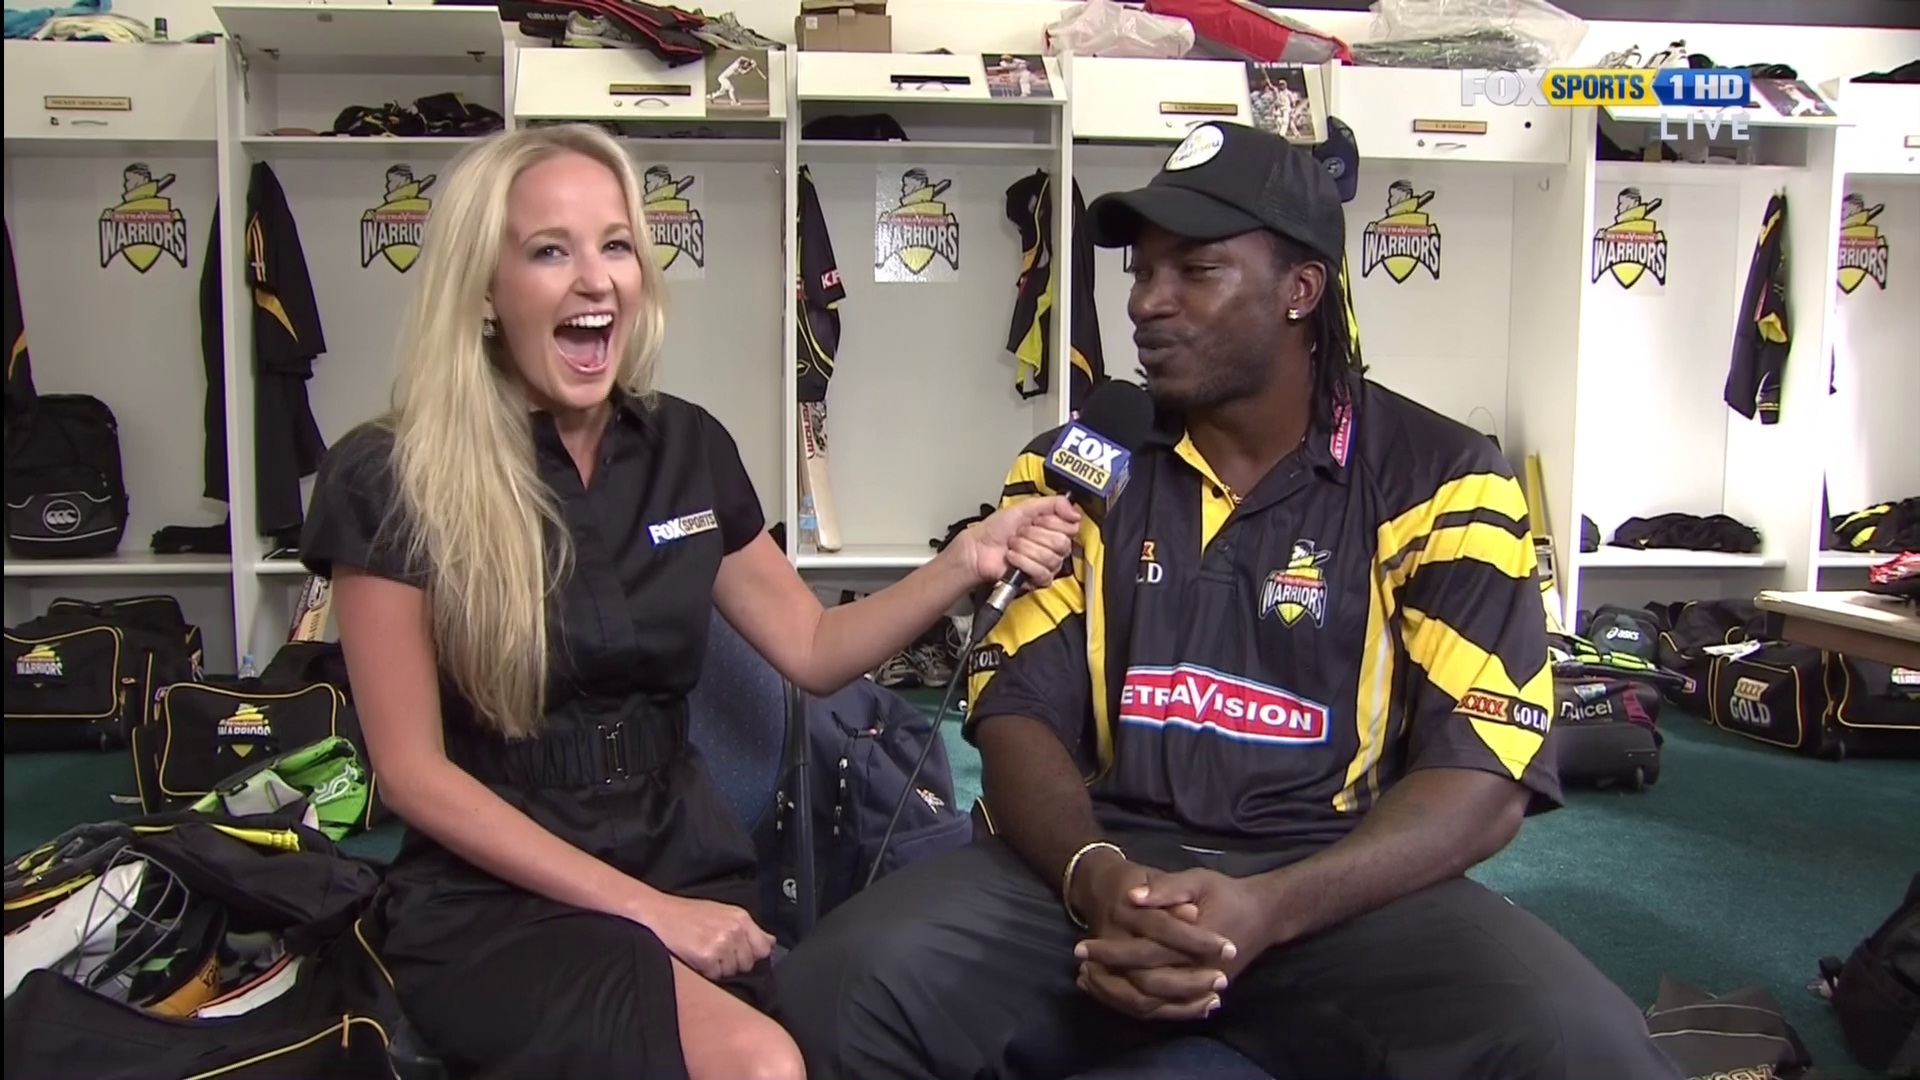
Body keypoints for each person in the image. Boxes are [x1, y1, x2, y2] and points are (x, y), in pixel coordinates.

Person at [775, 122, 1683, 1080]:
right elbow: (1015, 715)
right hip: (1098, 867)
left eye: (1195, 271)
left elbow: (1486, 771)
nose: (1146, 302)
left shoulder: (1448, 479)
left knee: (1585, 1046)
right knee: (835, 994)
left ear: (1302, 290)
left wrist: (1272, 909)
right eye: (1140, 272)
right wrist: (1098, 878)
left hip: (1336, 884)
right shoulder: (1075, 467)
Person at [296, 123, 1080, 1080]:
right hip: (496, 895)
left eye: (617, 245)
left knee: (858, 1038)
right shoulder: (388, 475)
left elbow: (814, 646)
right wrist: (649, 915)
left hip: (684, 855)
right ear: (484, 291)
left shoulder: (686, 447)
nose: (596, 280)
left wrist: (964, 559)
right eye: (550, 252)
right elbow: (413, 776)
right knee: (761, 1066)